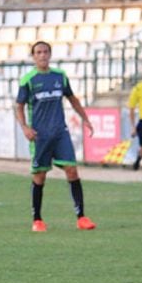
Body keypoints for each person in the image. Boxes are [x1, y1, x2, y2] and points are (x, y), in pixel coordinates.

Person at [15, 40, 97, 232]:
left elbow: (72, 98)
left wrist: (85, 118)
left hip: (60, 132)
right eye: (38, 52)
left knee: (72, 170)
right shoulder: (28, 80)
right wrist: (25, 127)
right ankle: (37, 220)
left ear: (50, 54)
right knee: (40, 176)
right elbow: (19, 105)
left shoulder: (60, 76)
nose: (42, 55)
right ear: (33, 56)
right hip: (40, 136)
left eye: (45, 52)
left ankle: (81, 217)